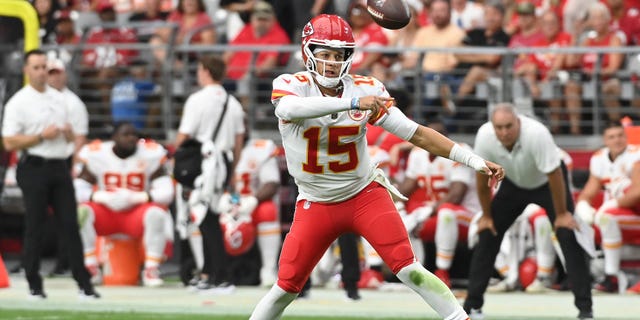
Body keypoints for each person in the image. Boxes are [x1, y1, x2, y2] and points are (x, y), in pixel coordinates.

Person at [249, 14, 504, 320]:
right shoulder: (293, 86)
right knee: (286, 287)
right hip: (316, 201)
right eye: (325, 54)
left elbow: (417, 133)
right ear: (308, 53)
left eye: (339, 55)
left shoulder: (365, 89)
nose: (331, 62)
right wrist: (354, 104)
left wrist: (473, 160)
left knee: (408, 268)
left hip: (363, 195)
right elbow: (290, 108)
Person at [464, 103, 593, 320]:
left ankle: (585, 310)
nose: (504, 132)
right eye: (499, 127)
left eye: (509, 126)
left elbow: (555, 174)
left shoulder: (537, 134)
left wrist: (562, 215)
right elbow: (481, 177)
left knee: (567, 234)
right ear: (492, 126)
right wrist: (486, 216)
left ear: (518, 122)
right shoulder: (485, 135)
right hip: (513, 184)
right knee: (488, 233)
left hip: (548, 184)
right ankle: (471, 308)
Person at [1, 49, 99, 299]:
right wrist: (39, 136)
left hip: (59, 165)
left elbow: (74, 136)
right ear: (26, 70)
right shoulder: (19, 102)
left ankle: (84, 284)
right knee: (36, 225)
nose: (42, 72)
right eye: (36, 67)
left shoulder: (60, 100)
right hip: (33, 166)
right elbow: (9, 141)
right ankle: (34, 282)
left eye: (44, 66)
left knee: (70, 223)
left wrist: (66, 134)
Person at [174, 54, 245, 292]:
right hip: (224, 162)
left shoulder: (197, 100)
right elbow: (238, 141)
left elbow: (185, 134)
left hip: (204, 164)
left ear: (205, 71)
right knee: (210, 216)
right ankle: (209, 273)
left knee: (206, 218)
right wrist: (233, 172)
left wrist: (177, 154)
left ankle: (219, 276)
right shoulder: (232, 102)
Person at [73, 122, 174, 287]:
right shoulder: (97, 154)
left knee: (157, 213)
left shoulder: (150, 154)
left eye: (134, 134)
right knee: (82, 213)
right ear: (114, 138)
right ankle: (91, 266)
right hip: (107, 214)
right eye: (126, 135)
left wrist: (139, 197)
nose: (131, 138)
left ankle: (151, 268)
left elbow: (167, 192)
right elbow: (77, 190)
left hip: (136, 215)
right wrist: (100, 196)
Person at [397, 120, 481, 288]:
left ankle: (442, 273)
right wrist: (390, 196)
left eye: (436, 136)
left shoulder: (461, 151)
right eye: (428, 136)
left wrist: (428, 209)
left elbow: (456, 195)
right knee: (399, 215)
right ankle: (411, 272)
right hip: (435, 213)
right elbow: (406, 188)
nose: (431, 141)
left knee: (446, 212)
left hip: (469, 215)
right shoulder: (417, 153)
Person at [574, 121, 640, 294]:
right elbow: (589, 191)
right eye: (612, 137)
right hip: (616, 216)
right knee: (571, 222)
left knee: (606, 217)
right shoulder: (599, 158)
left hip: (634, 214)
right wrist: (582, 206)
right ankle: (571, 274)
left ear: (626, 137)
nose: (617, 140)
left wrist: (610, 205)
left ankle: (611, 277)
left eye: (620, 135)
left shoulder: (636, 154)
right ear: (605, 140)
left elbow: (637, 193)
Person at [45, 57, 90, 276]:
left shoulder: (73, 103)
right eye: (50, 72)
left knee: (68, 215)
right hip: (45, 162)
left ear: (64, 74)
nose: (54, 76)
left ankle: (67, 261)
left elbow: (79, 138)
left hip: (66, 163)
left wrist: (74, 167)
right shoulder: (42, 99)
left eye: (57, 72)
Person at [220, 137, 282, 287]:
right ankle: (206, 269)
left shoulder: (261, 148)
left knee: (268, 211)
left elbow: (272, 183)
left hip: (251, 205)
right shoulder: (215, 145)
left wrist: (253, 200)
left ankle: (268, 270)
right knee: (198, 212)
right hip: (224, 205)